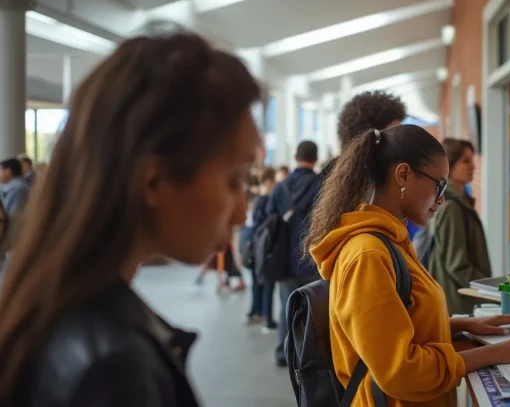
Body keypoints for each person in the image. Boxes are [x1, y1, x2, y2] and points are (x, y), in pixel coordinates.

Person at [0, 29, 264, 406]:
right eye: (233, 181)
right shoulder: (114, 370)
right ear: (153, 181)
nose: (240, 212)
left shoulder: (55, 307)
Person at [305, 125, 510, 406]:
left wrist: (465, 325)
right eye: (439, 184)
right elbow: (400, 372)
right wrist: (494, 354)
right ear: (403, 175)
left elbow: (402, 322)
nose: (441, 198)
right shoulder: (368, 255)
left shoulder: (391, 242)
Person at [266, 140, 321, 367]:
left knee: (286, 308)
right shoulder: (323, 185)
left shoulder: (281, 187)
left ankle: (283, 352)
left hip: (285, 260)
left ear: (296, 157)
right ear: (315, 159)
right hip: (314, 259)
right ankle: (308, 357)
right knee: (314, 311)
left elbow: (269, 217)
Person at [428, 139, 492, 315]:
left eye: (472, 160)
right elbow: (457, 265)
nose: (473, 166)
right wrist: (492, 288)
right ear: (449, 165)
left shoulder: (461, 202)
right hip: (458, 304)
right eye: (465, 161)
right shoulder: (451, 207)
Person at [320, 90, 407, 179]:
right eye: (396, 135)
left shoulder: (327, 181)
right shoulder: (375, 187)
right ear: (372, 138)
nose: (402, 143)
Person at [243, 167, 278, 329]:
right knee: (267, 282)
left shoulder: (257, 200)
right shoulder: (267, 200)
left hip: (254, 244)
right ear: (269, 182)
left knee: (257, 281)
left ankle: (255, 312)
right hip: (264, 246)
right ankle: (266, 317)